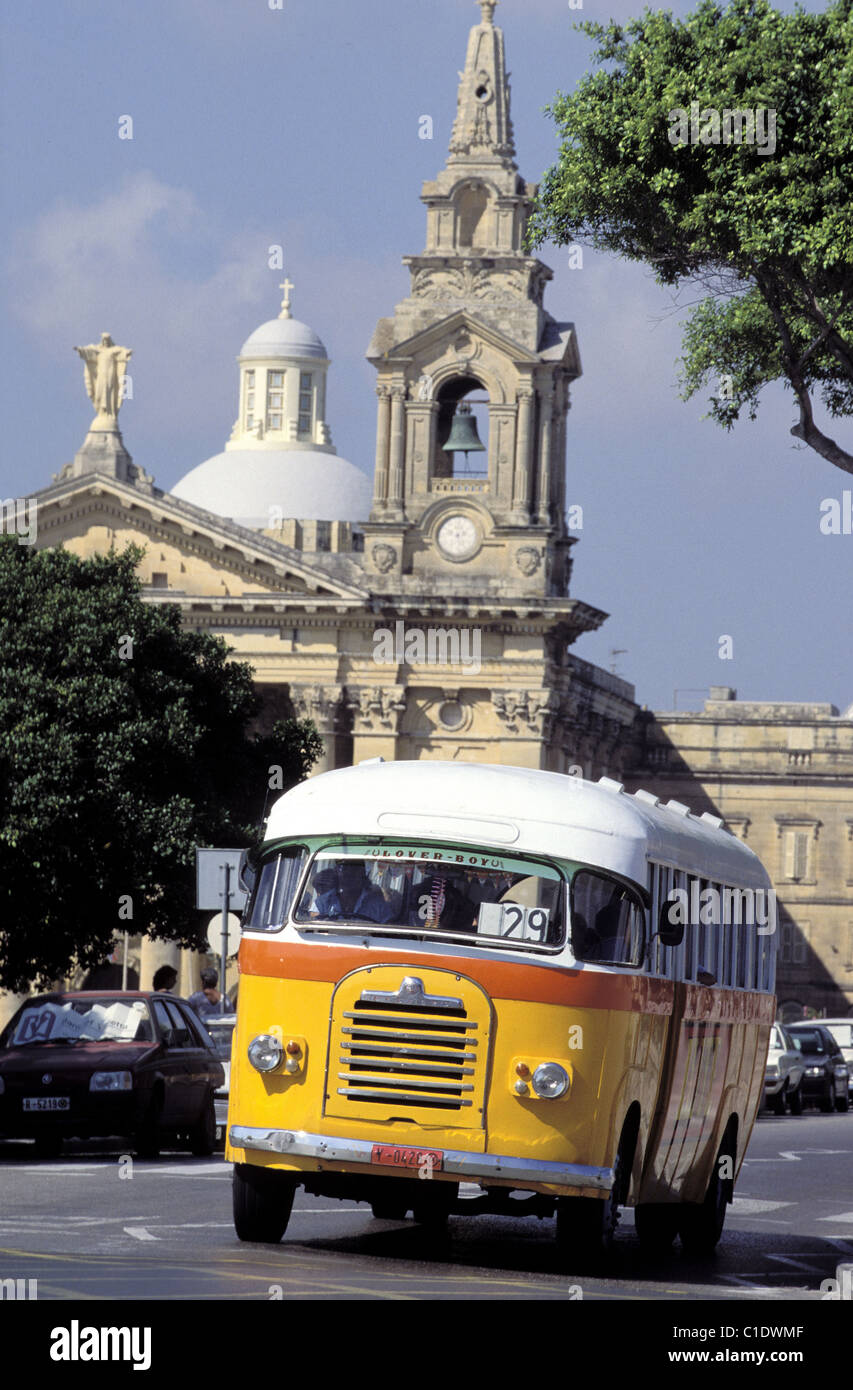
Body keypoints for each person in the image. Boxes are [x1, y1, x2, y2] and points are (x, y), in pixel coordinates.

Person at [309, 861, 399, 924]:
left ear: (361, 876)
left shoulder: (377, 905)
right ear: (338, 876)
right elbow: (311, 928)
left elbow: (389, 931)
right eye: (344, 873)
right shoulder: (323, 902)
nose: (348, 879)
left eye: (353, 873)